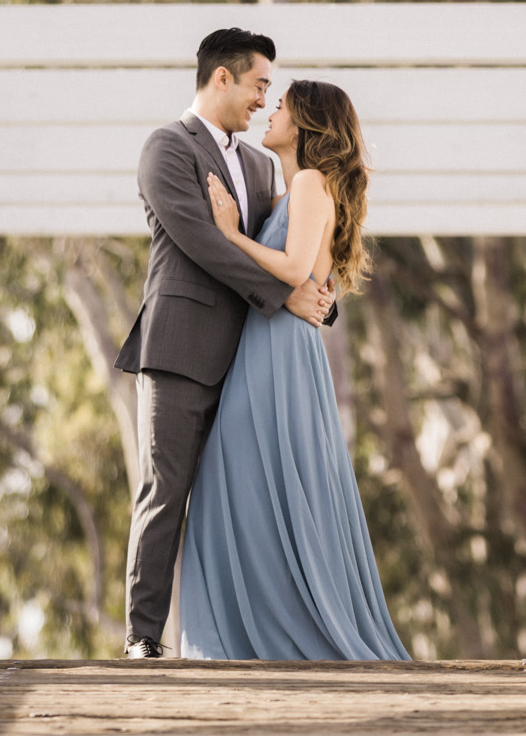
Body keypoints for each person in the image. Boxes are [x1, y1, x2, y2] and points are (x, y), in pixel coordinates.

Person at [115, 28, 338, 659]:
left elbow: (285, 247)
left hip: (249, 364)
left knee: (236, 504)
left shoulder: (263, 164)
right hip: (179, 352)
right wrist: (284, 296)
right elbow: (203, 242)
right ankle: (143, 638)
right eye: (259, 85)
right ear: (222, 78)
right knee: (165, 493)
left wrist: (316, 293)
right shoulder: (165, 147)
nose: (265, 101)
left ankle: (244, 638)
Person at [177, 78, 410, 661]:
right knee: (246, 479)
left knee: (260, 476)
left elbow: (292, 268)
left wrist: (229, 234)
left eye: (280, 105)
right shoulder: (289, 192)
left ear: (305, 124)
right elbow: (304, 279)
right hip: (265, 348)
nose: (271, 110)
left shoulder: (309, 182)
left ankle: (268, 631)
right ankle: (252, 629)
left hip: (279, 354)